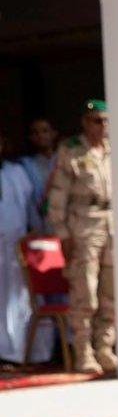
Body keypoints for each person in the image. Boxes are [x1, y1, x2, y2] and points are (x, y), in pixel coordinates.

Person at [46, 99, 116, 375]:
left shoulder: (114, 149)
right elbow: (57, 198)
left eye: (107, 121)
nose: (103, 126)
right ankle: (84, 351)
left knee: (111, 291)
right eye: (97, 120)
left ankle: (104, 347)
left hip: (112, 223)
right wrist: (62, 234)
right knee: (85, 292)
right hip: (84, 224)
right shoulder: (71, 152)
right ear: (85, 123)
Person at [1, 134, 52, 364]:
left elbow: (32, 207)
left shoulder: (17, 172)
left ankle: (18, 352)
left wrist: (36, 233)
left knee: (19, 299)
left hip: (15, 247)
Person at [20, 118, 59, 217]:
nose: (40, 136)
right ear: (30, 137)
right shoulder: (25, 165)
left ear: (53, 134)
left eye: (45, 131)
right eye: (35, 132)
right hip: (37, 225)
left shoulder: (64, 160)